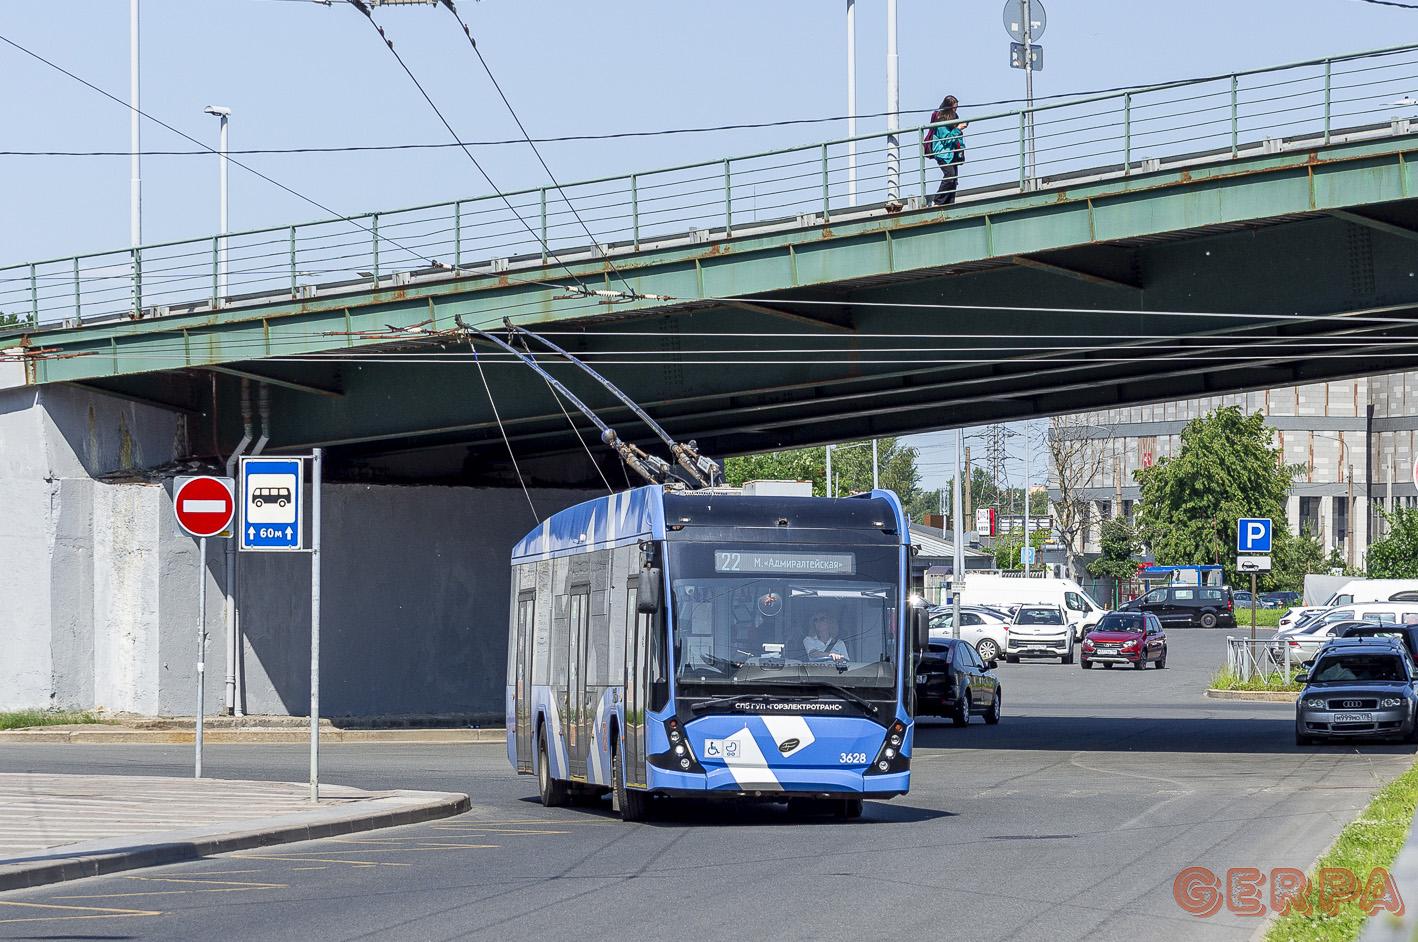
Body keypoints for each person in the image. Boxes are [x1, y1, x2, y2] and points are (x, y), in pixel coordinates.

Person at [925, 95, 968, 206]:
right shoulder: (941, 120)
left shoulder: (954, 117)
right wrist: (958, 129)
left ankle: (949, 203)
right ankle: (939, 201)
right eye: (954, 107)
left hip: (952, 152)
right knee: (950, 176)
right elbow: (946, 140)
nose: (956, 110)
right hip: (943, 153)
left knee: (954, 180)